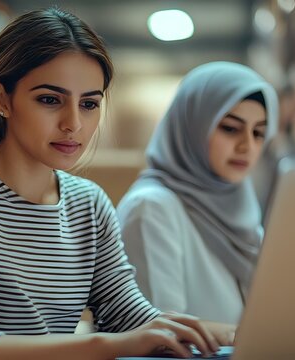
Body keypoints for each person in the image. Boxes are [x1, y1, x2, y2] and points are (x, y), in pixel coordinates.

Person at [0, 8, 235, 360]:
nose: (73, 123)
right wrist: (105, 345)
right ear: (1, 99)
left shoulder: (88, 204)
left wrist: (237, 333)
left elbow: (134, 319)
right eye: (50, 100)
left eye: (89, 104)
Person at [116, 62, 279, 325]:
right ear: (192, 127)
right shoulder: (152, 209)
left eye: (258, 133)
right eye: (230, 128)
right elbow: (164, 337)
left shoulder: (243, 214)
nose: (247, 145)